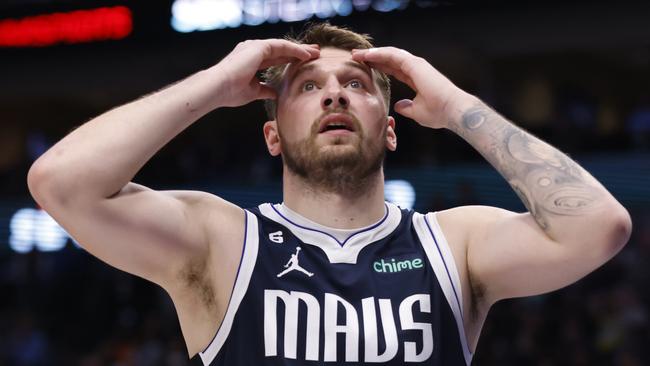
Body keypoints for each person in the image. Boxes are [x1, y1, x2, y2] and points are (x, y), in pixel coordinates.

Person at [27, 23, 632, 365]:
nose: (335, 95)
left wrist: (457, 108)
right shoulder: (221, 242)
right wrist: (214, 85)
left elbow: (598, 227)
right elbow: (59, 183)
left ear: (390, 127)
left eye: (356, 85)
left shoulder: (454, 242)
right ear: (272, 135)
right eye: (309, 86)